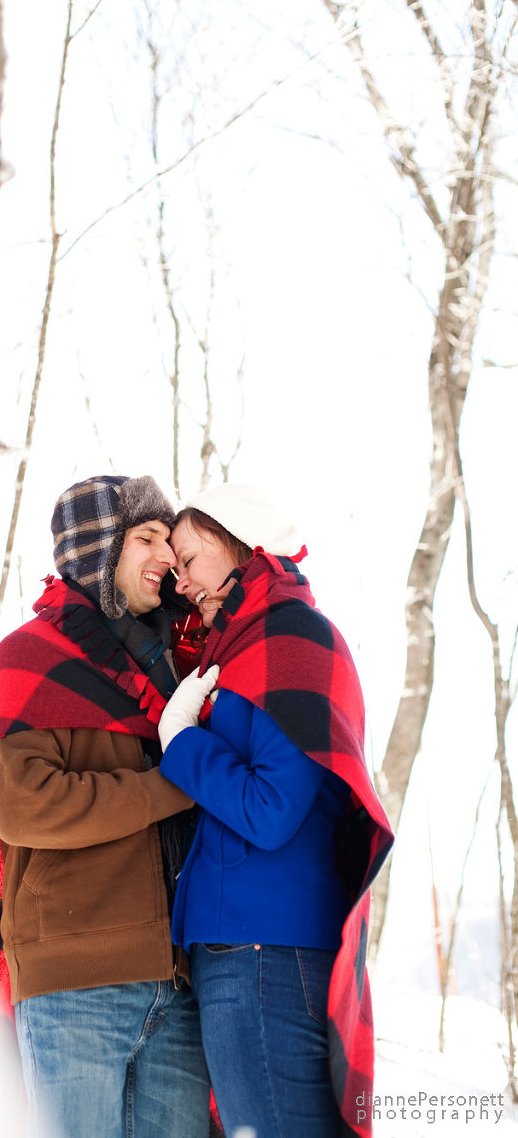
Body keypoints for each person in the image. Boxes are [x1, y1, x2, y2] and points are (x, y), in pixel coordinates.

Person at [0, 474, 211, 1138]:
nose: (167, 554)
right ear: (99, 548)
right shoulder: (31, 654)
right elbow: (23, 805)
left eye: (167, 539)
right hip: (75, 981)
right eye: (147, 537)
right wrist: (176, 783)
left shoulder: (178, 667)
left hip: (179, 984)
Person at [157, 483, 394, 1138]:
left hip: (265, 948)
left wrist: (182, 742)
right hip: (251, 946)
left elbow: (270, 810)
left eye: (190, 559)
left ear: (244, 546)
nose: (182, 583)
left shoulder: (288, 637)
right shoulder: (246, 646)